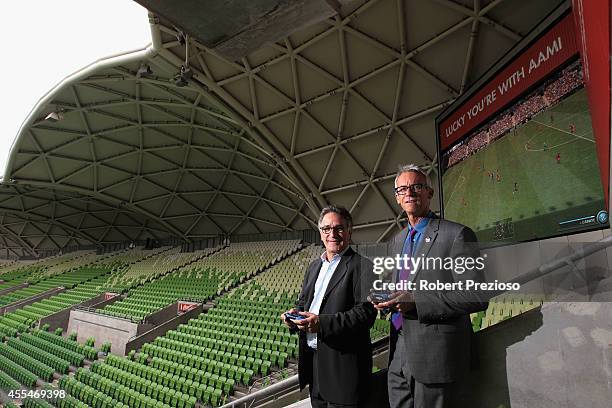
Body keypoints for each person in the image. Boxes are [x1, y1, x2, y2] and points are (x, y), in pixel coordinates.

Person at [374, 164, 489, 408]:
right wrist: (388, 301)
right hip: (398, 351)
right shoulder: (397, 240)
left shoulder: (457, 234)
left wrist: (415, 301)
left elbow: (476, 295)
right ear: (397, 198)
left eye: (417, 186)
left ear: (429, 193)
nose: (410, 192)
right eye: (403, 189)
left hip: (436, 357)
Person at [282, 206, 376, 407]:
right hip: (315, 369)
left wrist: (321, 324)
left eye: (338, 228)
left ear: (349, 231)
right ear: (320, 233)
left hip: (343, 372)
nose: (332, 234)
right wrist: (294, 316)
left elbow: (365, 314)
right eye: (326, 229)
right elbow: (303, 302)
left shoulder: (363, 266)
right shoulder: (314, 266)